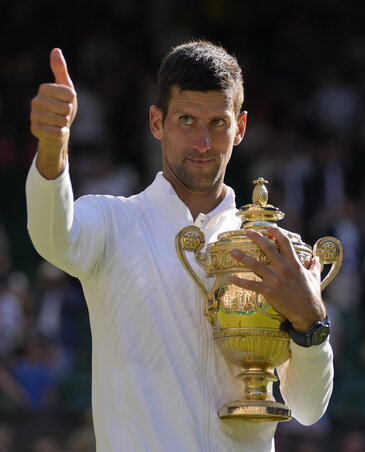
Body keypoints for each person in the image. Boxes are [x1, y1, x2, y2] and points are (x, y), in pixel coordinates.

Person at [26, 41, 333, 452]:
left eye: (218, 123)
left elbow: (310, 409)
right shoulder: (114, 222)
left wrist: (311, 323)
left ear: (240, 127)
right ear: (156, 122)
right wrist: (52, 150)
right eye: (186, 120)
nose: (203, 142)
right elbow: (52, 236)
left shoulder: (273, 248)